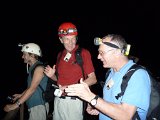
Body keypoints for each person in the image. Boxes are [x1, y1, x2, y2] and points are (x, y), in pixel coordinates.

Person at [65, 34, 151, 120]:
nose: (98, 57)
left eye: (102, 53)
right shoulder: (111, 72)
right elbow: (113, 102)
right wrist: (99, 108)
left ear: (117, 52)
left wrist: (91, 98)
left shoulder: (138, 75)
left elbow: (126, 115)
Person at [44, 22, 97, 120]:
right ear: (61, 40)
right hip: (58, 100)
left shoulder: (83, 53)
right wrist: (52, 76)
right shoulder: (60, 55)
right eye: (67, 39)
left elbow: (93, 79)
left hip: (75, 102)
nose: (71, 42)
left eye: (73, 38)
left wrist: (69, 88)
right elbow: (59, 81)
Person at [3, 43, 49, 120]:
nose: (22, 56)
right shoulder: (33, 68)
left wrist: (14, 106)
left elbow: (32, 89)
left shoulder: (39, 68)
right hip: (35, 106)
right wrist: (21, 95)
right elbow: (31, 87)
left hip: (38, 106)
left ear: (32, 55)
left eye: (24, 54)